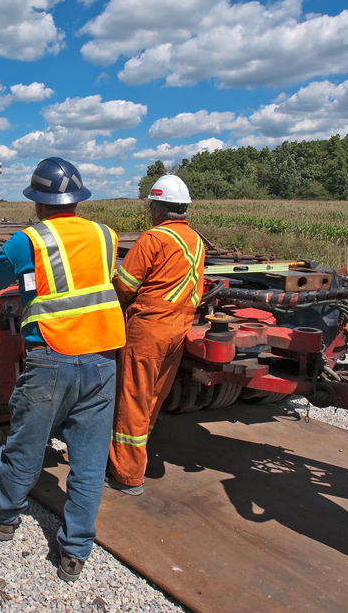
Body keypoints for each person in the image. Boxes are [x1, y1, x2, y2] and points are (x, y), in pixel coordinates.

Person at [0, 157, 126, 583]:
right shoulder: (106, 235)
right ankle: (74, 552)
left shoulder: (27, 240)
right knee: (89, 460)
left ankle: (1, 516)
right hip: (104, 357)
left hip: (53, 355)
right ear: (76, 199)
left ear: (38, 203)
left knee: (27, 443)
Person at [105, 175, 205, 496]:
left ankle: (127, 475)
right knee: (152, 397)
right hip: (179, 329)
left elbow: (125, 285)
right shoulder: (197, 241)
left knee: (132, 397)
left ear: (159, 209)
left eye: (152, 206)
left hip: (148, 329)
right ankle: (137, 453)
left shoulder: (153, 239)